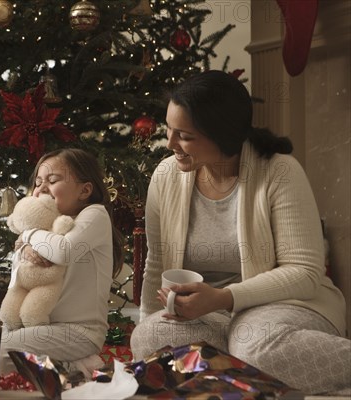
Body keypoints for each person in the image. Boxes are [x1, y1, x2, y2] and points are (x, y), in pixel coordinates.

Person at [130, 70, 350, 395]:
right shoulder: (166, 176)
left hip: (284, 305)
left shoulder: (279, 171)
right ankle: (250, 380)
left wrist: (224, 297)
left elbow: (304, 272)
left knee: (255, 349)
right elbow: (157, 263)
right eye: (169, 129)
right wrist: (150, 325)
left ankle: (244, 370)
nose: (170, 143)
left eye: (184, 135)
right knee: (150, 340)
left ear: (222, 135)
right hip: (212, 318)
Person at [0, 148, 124, 379]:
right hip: (37, 326)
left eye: (52, 180)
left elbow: (63, 251)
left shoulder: (95, 215)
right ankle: (69, 367)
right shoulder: (43, 228)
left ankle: (74, 367)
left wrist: (27, 234)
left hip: (78, 332)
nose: (41, 188)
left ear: (85, 190)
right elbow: (20, 282)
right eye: (37, 183)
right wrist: (25, 247)